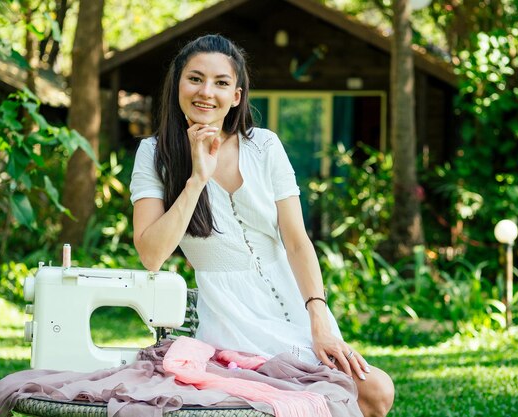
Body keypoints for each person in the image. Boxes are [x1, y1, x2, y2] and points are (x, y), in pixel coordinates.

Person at [130, 34, 394, 417]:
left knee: (376, 392)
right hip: (230, 315)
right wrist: (196, 179)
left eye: (221, 83)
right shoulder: (154, 154)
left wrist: (318, 318)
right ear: (178, 86)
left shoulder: (264, 146)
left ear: (236, 96)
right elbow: (151, 255)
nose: (207, 92)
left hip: (295, 301)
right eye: (196, 79)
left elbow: (297, 240)